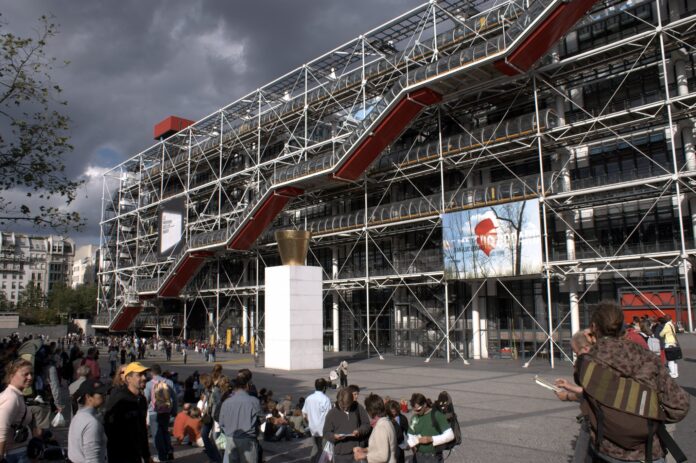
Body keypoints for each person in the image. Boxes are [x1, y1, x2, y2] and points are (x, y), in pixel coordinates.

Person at [577, 302, 689, 462]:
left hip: (606, 451)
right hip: (648, 450)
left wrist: (594, 343)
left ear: (593, 328)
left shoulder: (587, 363)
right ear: (621, 325)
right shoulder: (648, 357)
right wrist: (652, 415)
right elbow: (679, 406)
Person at [103, 362, 151, 463]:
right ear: (128, 379)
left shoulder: (141, 400)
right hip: (120, 455)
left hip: (136, 455)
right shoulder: (120, 399)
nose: (144, 378)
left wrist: (146, 454)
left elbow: (142, 429)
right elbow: (108, 427)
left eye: (144, 374)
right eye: (139, 375)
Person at [218, 376, 262, 463]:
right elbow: (259, 421)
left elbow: (221, 423)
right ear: (247, 386)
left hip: (231, 440)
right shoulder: (254, 401)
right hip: (248, 440)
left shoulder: (226, 402)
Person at [322, 388, 371, 463]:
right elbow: (326, 432)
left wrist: (359, 431)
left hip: (357, 452)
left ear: (352, 401)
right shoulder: (332, 413)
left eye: (347, 406)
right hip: (340, 455)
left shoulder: (358, 408)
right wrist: (334, 436)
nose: (344, 408)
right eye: (342, 406)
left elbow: (366, 424)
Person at [0, 359, 34, 463]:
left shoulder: (15, 395)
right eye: (25, 374)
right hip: (15, 454)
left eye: (31, 374)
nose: (30, 377)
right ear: (11, 375)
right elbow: (1, 430)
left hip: (17, 452)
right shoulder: (12, 398)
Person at [67, 380, 108, 463]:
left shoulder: (77, 417)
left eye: (105, 393)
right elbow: (92, 459)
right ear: (88, 397)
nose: (105, 396)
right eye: (100, 393)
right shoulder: (91, 423)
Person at [144, 364, 177, 463]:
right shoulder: (169, 382)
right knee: (165, 432)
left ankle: (162, 457)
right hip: (166, 411)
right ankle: (169, 451)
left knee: (157, 435)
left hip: (154, 412)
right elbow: (174, 398)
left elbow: (146, 399)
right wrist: (174, 411)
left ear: (151, 372)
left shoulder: (149, 384)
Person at [408, 393, 454, 463]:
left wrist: (431, 439)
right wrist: (413, 442)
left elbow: (450, 435)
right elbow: (409, 434)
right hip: (418, 455)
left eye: (418, 410)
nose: (416, 412)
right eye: (414, 410)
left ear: (425, 404)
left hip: (433, 457)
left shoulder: (437, 415)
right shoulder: (415, 417)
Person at [353, 394, 397, 463]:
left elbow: (383, 456)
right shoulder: (387, 422)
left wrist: (364, 456)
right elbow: (379, 446)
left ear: (370, 411)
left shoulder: (381, 427)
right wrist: (364, 449)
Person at [302, 378, 332, 463]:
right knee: (323, 450)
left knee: (315, 447)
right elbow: (329, 416)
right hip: (323, 428)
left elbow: (304, 413)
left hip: (312, 428)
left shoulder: (309, 398)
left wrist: (310, 422)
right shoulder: (325, 399)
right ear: (324, 388)